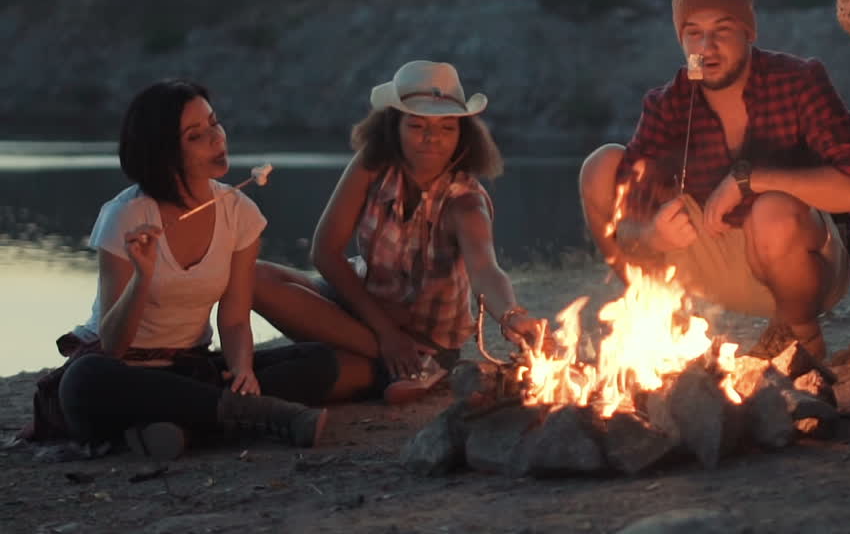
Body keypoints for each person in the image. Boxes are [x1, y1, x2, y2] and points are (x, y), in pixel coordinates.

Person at [579, 0, 850, 361]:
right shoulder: (670, 102)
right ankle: (659, 318)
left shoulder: (799, 80)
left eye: (722, 29)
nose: (707, 46)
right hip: (713, 256)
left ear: (748, 32)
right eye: (693, 33)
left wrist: (747, 180)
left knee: (771, 211)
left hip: (802, 266)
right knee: (602, 167)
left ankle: (803, 342)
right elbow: (627, 224)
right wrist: (653, 237)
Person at [38, 80, 336, 460]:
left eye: (215, 123)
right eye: (196, 135)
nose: (216, 138)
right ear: (165, 153)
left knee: (318, 361)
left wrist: (242, 369)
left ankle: (177, 427)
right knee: (83, 382)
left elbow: (233, 319)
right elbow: (112, 344)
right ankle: (255, 416)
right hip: (123, 371)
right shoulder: (125, 217)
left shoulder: (239, 212)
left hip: (190, 369)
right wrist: (143, 276)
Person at [253, 61, 543, 404]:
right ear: (395, 126)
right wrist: (385, 333)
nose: (432, 138)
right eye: (417, 124)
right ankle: (393, 359)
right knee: (251, 276)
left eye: (447, 128)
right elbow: (324, 252)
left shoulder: (465, 202)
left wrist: (511, 314)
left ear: (462, 133)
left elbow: (485, 270)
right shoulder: (372, 164)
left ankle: (417, 365)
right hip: (361, 308)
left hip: (424, 339)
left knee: (313, 373)